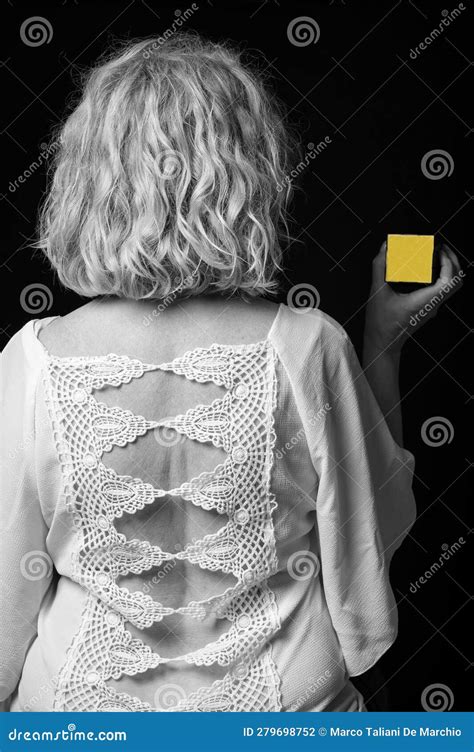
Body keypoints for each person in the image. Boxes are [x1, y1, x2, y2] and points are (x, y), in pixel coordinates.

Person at [0, 33, 463, 713]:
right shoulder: (309, 347)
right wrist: (383, 347)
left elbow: (8, 582)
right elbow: (375, 534)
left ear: (88, 179)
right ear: (249, 174)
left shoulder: (32, 359)